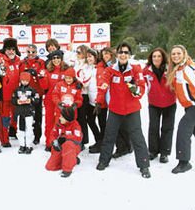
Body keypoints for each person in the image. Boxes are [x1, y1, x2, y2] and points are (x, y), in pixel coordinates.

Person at [95, 42, 151, 178]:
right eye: (121, 52)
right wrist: (98, 101)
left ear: (129, 55)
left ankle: (144, 165)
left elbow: (141, 88)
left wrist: (135, 89)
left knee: (137, 137)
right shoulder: (110, 70)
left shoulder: (135, 69)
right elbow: (102, 86)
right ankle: (103, 160)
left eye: (126, 52)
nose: (123, 55)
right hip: (115, 109)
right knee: (109, 135)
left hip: (132, 109)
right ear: (117, 54)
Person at [143, 47, 176, 163]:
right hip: (154, 104)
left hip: (169, 103)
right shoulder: (146, 70)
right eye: (154, 56)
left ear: (163, 57)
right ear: (151, 58)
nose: (156, 58)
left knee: (167, 128)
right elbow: (138, 80)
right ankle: (153, 151)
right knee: (153, 127)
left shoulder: (171, 69)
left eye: (159, 56)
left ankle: (164, 153)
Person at [166, 45, 195, 174]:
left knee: (183, 132)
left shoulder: (188, 68)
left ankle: (184, 162)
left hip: (194, 106)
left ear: (184, 53)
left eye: (178, 53)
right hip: (188, 107)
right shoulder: (177, 69)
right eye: (173, 54)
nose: (176, 56)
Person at [39, 49, 69, 151]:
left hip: (63, 101)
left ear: (61, 59)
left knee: (62, 122)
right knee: (49, 122)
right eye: (54, 58)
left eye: (58, 58)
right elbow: (44, 86)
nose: (56, 60)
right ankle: (49, 142)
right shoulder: (48, 71)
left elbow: (72, 81)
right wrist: (42, 78)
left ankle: (62, 142)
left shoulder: (66, 70)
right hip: (50, 101)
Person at [0, 38, 21, 147]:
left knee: (15, 116)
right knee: (4, 118)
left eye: (13, 49)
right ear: (5, 50)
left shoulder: (19, 60)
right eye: (9, 49)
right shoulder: (1, 60)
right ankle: (4, 139)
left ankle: (12, 132)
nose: (11, 51)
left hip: (16, 96)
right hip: (4, 96)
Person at [45, 104, 82, 178]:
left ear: (67, 118)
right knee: (50, 167)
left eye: (62, 116)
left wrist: (65, 138)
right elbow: (52, 134)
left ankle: (67, 169)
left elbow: (78, 138)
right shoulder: (58, 123)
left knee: (68, 144)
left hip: (72, 147)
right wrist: (54, 142)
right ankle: (71, 160)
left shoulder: (75, 125)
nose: (60, 117)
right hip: (60, 147)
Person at [19, 44, 45, 145]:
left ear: (36, 52)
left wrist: (36, 74)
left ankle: (37, 136)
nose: (31, 54)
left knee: (38, 116)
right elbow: (19, 77)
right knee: (26, 116)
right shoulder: (22, 63)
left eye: (33, 52)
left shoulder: (41, 62)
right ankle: (26, 135)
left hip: (37, 93)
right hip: (25, 94)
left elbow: (44, 75)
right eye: (28, 52)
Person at [12, 72, 40, 154]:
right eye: (23, 80)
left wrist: (30, 100)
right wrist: (17, 101)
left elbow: (37, 99)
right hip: (20, 113)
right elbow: (13, 99)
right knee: (20, 129)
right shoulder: (17, 90)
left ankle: (29, 145)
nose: (24, 82)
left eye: (26, 80)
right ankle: (22, 145)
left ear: (29, 80)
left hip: (29, 112)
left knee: (29, 129)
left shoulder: (32, 90)